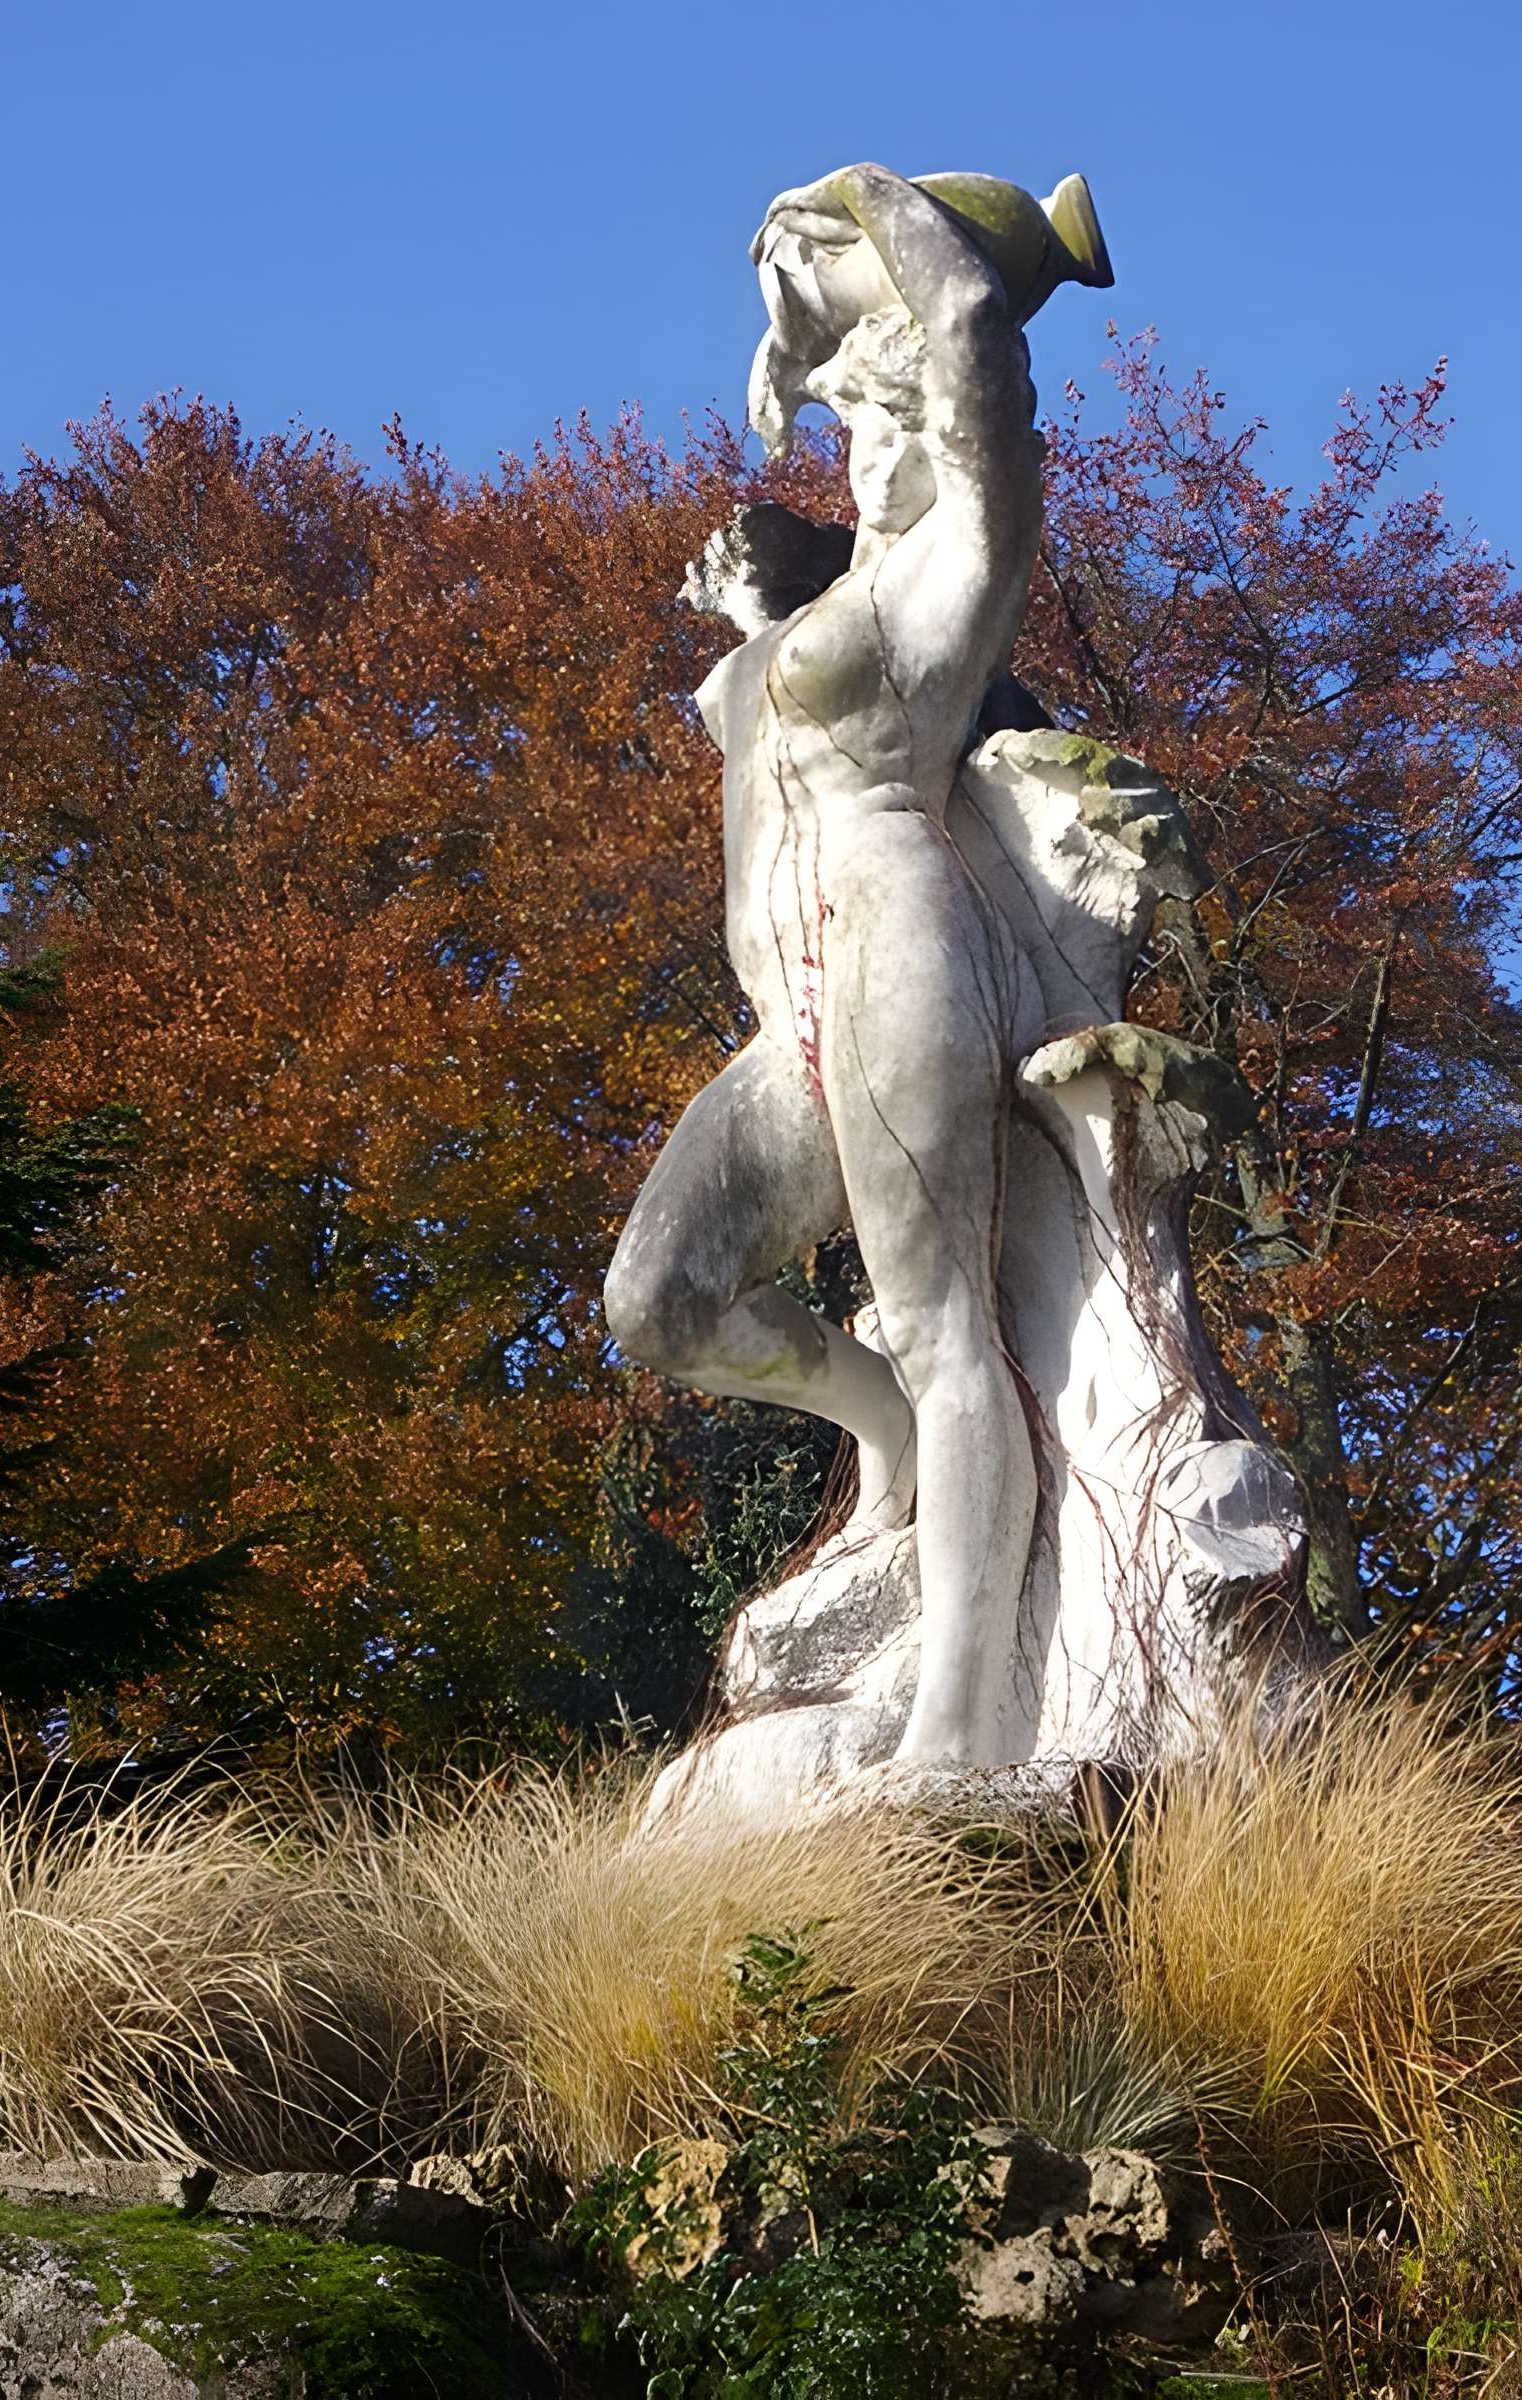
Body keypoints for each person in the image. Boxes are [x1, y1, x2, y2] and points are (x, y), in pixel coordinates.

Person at [605, 164, 1059, 1767]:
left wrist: (868, 198)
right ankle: (878, 1434)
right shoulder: (818, 608)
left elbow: (980, 322)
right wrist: (791, 337)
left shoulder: (954, 584)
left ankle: (961, 1722)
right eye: (854, 419)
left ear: (937, 421)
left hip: (894, 956)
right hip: (783, 1017)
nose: (863, 445)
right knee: (658, 1302)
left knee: (949, 1332)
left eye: (890, 414)